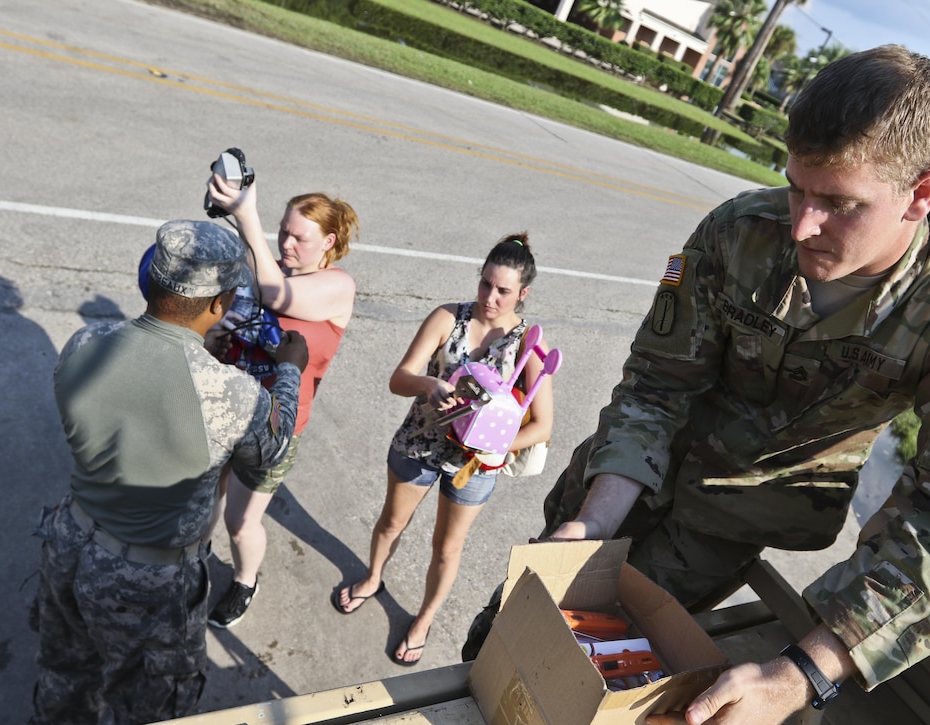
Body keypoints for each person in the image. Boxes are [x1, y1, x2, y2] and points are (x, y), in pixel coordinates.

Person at [469, 46, 930, 724]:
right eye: (797, 187)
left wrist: (804, 673)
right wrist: (592, 520)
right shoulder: (739, 233)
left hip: (734, 516)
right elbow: (657, 382)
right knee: (497, 639)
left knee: (591, 681)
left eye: (839, 203)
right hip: (616, 481)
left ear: (922, 193)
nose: (802, 225)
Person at [30, 220, 308, 724]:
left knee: (65, 672)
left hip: (68, 541)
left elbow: (141, 394)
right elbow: (273, 452)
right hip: (147, 579)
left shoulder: (85, 342)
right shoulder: (227, 392)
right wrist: (290, 370)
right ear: (218, 305)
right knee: (148, 705)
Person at [334, 233, 555, 666]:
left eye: (503, 291)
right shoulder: (447, 318)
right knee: (391, 524)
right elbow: (398, 379)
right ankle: (373, 577)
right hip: (418, 443)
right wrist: (429, 384)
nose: (490, 297)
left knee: (447, 548)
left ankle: (423, 619)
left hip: (472, 465)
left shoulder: (530, 345)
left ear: (523, 294)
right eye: (485, 284)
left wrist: (493, 442)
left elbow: (543, 426)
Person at [203, 176, 358, 628]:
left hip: (273, 425)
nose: (286, 243)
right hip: (227, 404)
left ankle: (245, 581)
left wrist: (245, 214)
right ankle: (196, 553)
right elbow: (234, 313)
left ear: (328, 241)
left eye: (299, 237)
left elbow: (275, 297)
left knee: (240, 522)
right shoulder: (271, 268)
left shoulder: (336, 286)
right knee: (206, 494)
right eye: (283, 232)